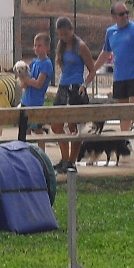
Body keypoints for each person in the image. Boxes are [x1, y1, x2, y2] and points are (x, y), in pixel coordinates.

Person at [93, 3, 134, 131]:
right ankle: (125, 137)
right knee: (123, 111)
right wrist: (93, 69)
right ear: (114, 17)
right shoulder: (110, 32)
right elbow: (105, 53)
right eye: (121, 14)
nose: (125, 16)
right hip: (120, 76)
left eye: (126, 13)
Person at [51, 16, 94, 173]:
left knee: (73, 126)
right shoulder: (61, 46)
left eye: (65, 34)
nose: (63, 37)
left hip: (76, 87)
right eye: (60, 35)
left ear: (71, 30)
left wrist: (84, 84)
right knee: (56, 124)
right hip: (63, 86)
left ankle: (71, 161)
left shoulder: (80, 46)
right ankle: (64, 158)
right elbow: (61, 63)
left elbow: (92, 70)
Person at [20, 32, 53, 119]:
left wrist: (25, 79)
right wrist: (22, 79)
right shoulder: (34, 62)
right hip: (25, 101)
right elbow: (26, 82)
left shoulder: (46, 63)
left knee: (35, 126)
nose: (36, 48)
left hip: (36, 103)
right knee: (23, 126)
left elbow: (38, 84)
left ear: (47, 47)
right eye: (35, 45)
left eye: (39, 46)